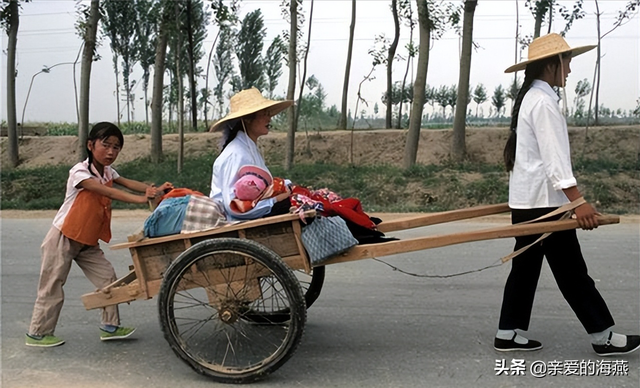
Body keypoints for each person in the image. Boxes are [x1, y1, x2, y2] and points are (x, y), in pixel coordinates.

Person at [495, 33, 640, 356]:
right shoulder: (543, 102)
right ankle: (603, 336)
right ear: (552, 64)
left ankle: (507, 332)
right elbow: (554, 159)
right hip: (545, 204)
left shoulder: (532, 97)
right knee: (572, 271)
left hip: (528, 202)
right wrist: (578, 202)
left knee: (526, 267)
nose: (571, 70)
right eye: (568, 62)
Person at [26, 122, 173, 347]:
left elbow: (127, 183)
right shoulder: (80, 172)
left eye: (116, 147)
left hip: (87, 241)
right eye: (106, 145)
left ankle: (110, 327)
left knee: (107, 278)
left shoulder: (108, 171)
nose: (111, 152)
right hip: (63, 237)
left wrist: (153, 190)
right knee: (52, 285)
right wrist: (142, 199)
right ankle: (38, 333)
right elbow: (108, 191)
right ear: (90, 145)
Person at [209, 88, 293, 220]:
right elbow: (234, 207)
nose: (269, 118)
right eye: (264, 114)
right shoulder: (236, 154)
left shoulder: (249, 148)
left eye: (269, 113)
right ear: (247, 119)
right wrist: (274, 201)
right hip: (235, 225)